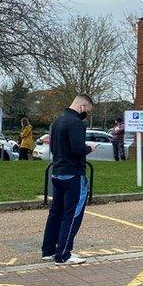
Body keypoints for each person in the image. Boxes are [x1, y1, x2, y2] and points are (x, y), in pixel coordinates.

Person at [41, 95, 95, 264]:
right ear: (82, 106)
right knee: (72, 214)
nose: (86, 113)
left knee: (55, 212)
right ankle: (64, 253)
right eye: (87, 110)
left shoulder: (57, 121)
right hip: (73, 173)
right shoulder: (77, 123)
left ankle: (48, 249)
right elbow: (77, 148)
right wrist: (89, 148)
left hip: (57, 171)